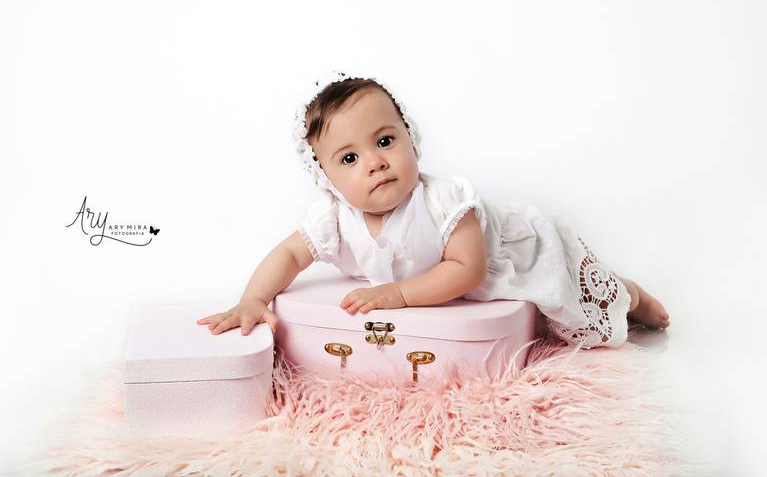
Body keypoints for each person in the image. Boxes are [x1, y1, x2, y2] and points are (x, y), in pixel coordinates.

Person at [197, 69, 670, 349]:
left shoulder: (446, 200)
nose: (375, 162)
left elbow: (467, 269)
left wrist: (399, 295)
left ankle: (629, 293)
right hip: (437, 280)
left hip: (515, 254)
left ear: (410, 139)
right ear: (327, 178)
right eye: (350, 158)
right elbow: (289, 254)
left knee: (573, 293)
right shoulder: (333, 217)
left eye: (385, 141)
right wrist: (253, 298)